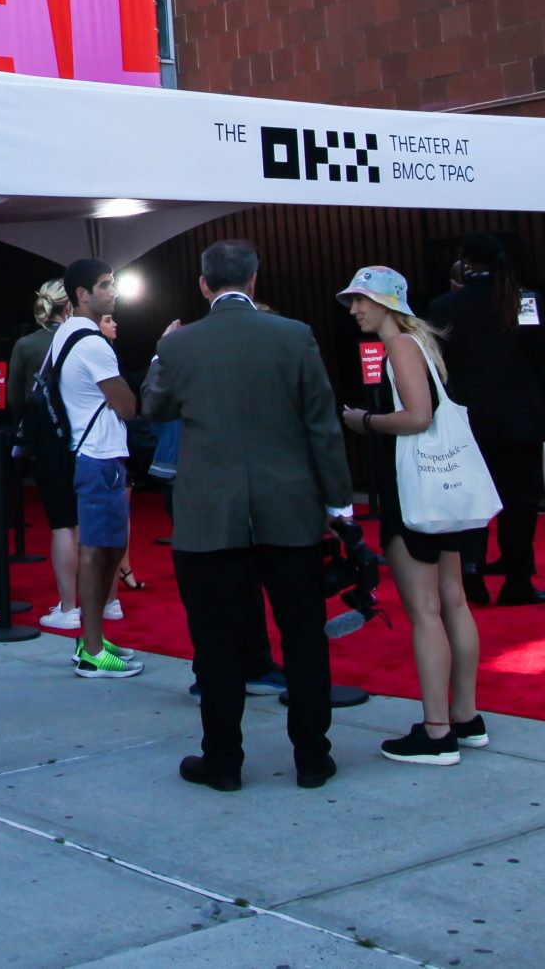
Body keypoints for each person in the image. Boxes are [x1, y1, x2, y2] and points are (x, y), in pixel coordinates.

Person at [142, 240, 353, 790]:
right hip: (290, 510)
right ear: (255, 280)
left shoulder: (181, 345)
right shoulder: (294, 335)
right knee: (304, 636)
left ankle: (223, 760)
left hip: (210, 516)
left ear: (203, 284)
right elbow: (322, 424)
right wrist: (339, 503)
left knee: (216, 642)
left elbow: (154, 408)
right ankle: (312, 756)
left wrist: (161, 353)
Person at [339, 266, 486, 766]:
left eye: (363, 300)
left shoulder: (399, 347)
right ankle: (465, 717)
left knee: (426, 610)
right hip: (442, 493)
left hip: (414, 494)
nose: (355, 309)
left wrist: (364, 421)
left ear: (388, 303)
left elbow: (418, 417)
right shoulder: (419, 345)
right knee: (454, 602)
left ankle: (437, 730)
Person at [428, 235, 545, 606]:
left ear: (465, 262)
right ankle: (518, 581)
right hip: (520, 417)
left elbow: (435, 366)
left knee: (469, 498)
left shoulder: (443, 306)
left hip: (467, 420)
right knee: (520, 502)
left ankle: (470, 565)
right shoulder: (524, 302)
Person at [44, 257, 139, 678]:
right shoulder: (92, 342)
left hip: (90, 453)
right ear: (83, 295)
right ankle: (92, 650)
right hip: (99, 456)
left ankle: (94, 640)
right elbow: (129, 407)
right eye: (106, 285)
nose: (114, 292)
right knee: (98, 551)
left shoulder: (67, 332)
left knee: (107, 549)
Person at [8, 281, 91, 635]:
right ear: (69, 306)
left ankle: (69, 606)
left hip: (49, 440)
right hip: (88, 436)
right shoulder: (84, 339)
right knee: (90, 522)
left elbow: (15, 398)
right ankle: (105, 601)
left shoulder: (27, 345)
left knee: (62, 523)